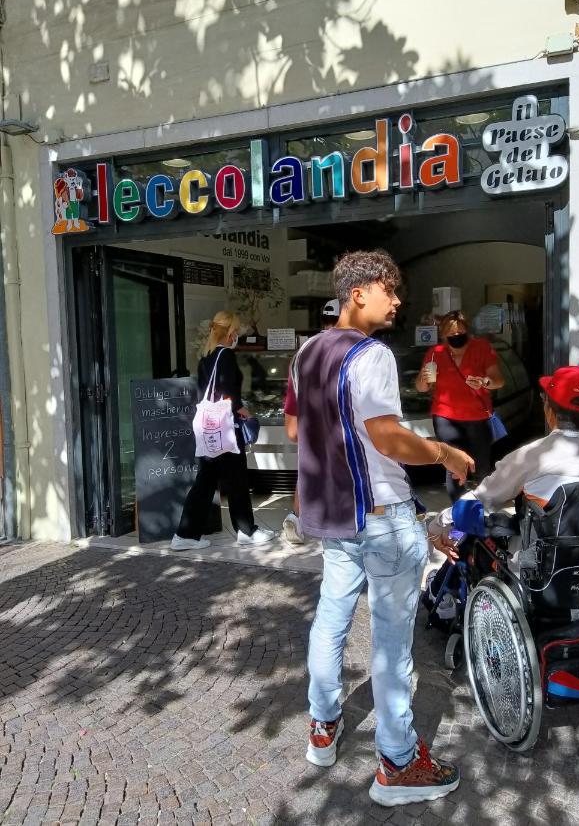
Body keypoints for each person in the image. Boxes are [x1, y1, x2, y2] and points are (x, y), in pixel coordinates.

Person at [293, 250, 474, 808]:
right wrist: (444, 452)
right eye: (389, 289)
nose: (397, 300)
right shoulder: (372, 355)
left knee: (330, 619)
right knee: (393, 646)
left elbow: (298, 427)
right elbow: (388, 438)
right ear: (358, 292)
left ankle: (323, 729)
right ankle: (397, 762)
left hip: (338, 516)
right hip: (380, 518)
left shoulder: (306, 352)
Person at [428, 365, 579, 592]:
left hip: (535, 577)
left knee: (471, 530)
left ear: (549, 412)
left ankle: (440, 594)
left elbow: (480, 499)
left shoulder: (531, 456)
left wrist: (437, 525)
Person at [171, 311, 275, 551]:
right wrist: (245, 411)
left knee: (205, 481)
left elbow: (203, 393)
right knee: (237, 479)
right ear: (230, 332)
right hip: (226, 427)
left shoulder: (206, 357)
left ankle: (185, 534)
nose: (237, 334)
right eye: (236, 330)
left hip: (210, 429)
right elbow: (229, 393)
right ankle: (246, 531)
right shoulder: (226, 355)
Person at [415, 311, 504, 500]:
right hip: (445, 416)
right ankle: (459, 512)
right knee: (453, 466)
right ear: (444, 336)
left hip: (477, 417)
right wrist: (423, 380)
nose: (457, 338)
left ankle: (483, 509)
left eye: (461, 333)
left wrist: (484, 382)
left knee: (481, 467)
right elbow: (421, 388)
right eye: (452, 335)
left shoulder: (482, 348)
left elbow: (498, 380)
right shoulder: (436, 353)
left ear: (468, 332)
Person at [282, 299, 341, 546]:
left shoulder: (302, 353)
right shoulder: (352, 349)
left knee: (307, 471)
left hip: (309, 426)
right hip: (339, 427)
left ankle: (296, 518)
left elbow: (292, 400)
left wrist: (295, 431)